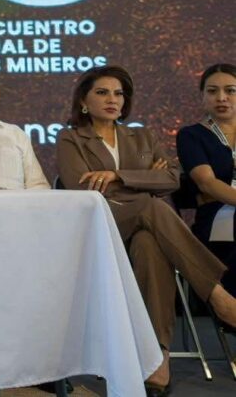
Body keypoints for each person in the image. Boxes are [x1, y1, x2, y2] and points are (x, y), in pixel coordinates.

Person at [56, 65, 236, 394]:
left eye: (119, 94)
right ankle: (217, 293)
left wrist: (116, 177)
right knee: (151, 206)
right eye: (102, 92)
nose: (112, 99)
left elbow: (171, 179)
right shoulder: (71, 138)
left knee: (149, 245)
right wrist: (142, 180)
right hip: (99, 226)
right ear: (83, 101)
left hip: (139, 226)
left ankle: (157, 357)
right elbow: (81, 186)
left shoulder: (142, 137)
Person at [177, 63, 236, 292]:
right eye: (212, 91)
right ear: (202, 96)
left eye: (230, 90)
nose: (221, 98)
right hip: (215, 215)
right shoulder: (191, 135)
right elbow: (207, 183)